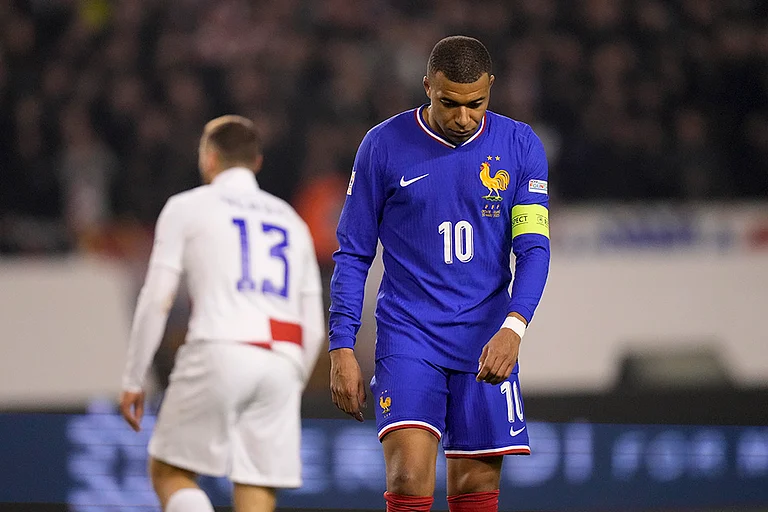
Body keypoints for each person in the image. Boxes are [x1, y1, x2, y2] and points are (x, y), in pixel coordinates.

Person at [328, 36, 550, 512]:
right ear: (427, 86)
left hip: (485, 337)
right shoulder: (382, 145)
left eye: (475, 104)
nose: (463, 117)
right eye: (449, 103)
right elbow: (353, 253)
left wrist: (514, 328)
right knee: (408, 479)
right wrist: (341, 345)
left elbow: (533, 249)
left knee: (474, 487)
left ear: (490, 88)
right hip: (409, 334)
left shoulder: (519, 145)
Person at [119, 115, 325, 512]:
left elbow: (158, 297)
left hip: (221, 343)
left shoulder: (188, 207)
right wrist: (291, 376)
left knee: (169, 471)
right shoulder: (291, 220)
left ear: (209, 158)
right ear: (257, 161)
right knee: (256, 488)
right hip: (282, 358)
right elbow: (313, 325)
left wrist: (134, 377)